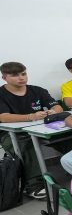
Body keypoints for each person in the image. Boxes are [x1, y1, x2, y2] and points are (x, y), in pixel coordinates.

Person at [0, 61, 64, 199]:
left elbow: (58, 107)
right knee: (27, 146)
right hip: (11, 134)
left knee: (69, 137)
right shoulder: (1, 94)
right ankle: (34, 185)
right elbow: (4, 117)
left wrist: (52, 112)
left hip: (41, 128)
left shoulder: (37, 90)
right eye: (15, 75)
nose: (21, 78)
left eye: (23, 74)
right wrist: (30, 117)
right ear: (4, 77)